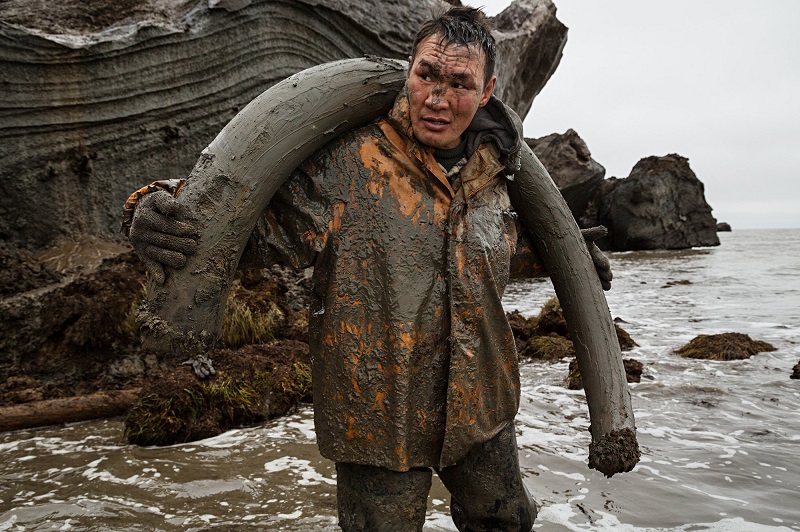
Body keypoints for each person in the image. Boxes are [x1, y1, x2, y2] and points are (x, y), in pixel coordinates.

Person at [125, 7, 612, 531]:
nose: (438, 98)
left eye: (460, 83)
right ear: (409, 69)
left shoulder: (497, 173)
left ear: (488, 90)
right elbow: (251, 230)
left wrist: (565, 257)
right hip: (378, 414)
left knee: (507, 521)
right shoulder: (351, 163)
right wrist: (151, 208)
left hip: (482, 405)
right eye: (427, 74)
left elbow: (489, 253)